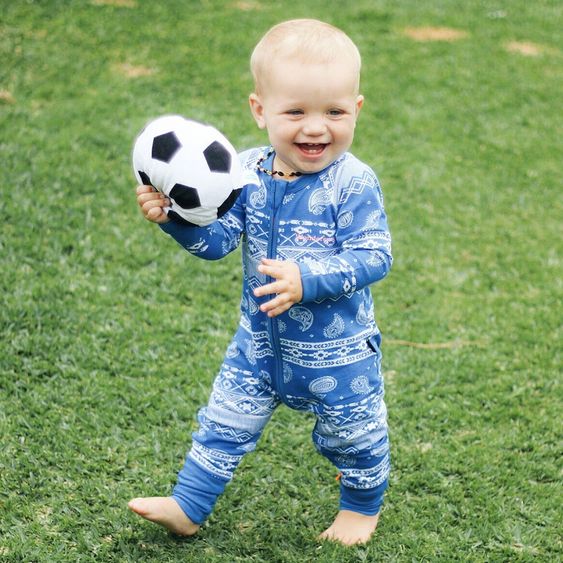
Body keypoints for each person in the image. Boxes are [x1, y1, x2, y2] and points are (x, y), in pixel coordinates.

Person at [129, 18, 392, 546]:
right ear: (259, 110)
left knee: (354, 434)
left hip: (336, 352)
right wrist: (176, 221)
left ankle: (360, 508)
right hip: (258, 345)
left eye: (334, 112)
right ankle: (189, 505)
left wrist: (307, 278)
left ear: (356, 109)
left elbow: (375, 255)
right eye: (295, 111)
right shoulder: (243, 171)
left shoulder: (353, 181)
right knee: (224, 421)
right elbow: (220, 242)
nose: (316, 128)